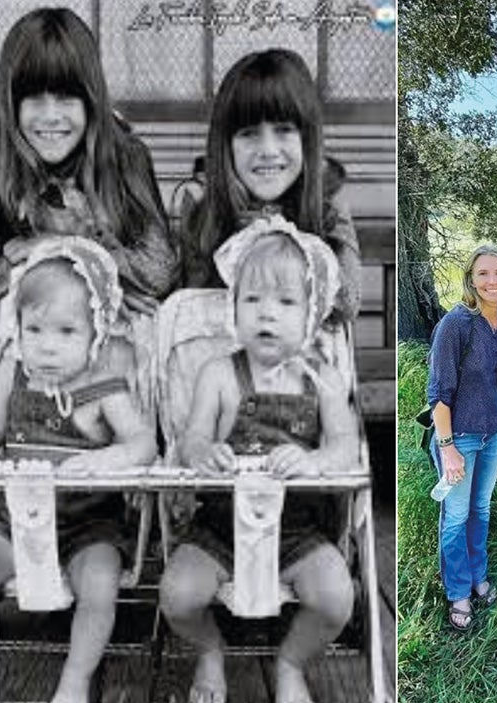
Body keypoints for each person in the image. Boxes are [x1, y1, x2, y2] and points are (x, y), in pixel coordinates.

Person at [0, 238, 157, 703]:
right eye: (35, 330)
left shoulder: (104, 387)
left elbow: (143, 442)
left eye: (66, 332)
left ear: (97, 334)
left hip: (89, 524)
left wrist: (103, 459)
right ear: (19, 328)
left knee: (100, 584)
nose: (47, 346)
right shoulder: (12, 372)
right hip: (13, 519)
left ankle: (73, 681)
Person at [160, 218, 359, 703]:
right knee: (177, 595)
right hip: (220, 529)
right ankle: (210, 651)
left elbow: (346, 448)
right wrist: (204, 451)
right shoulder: (219, 374)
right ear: (233, 309)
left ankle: (290, 662)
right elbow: (191, 438)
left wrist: (315, 461)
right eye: (252, 300)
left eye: (285, 302)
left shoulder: (324, 380)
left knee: (336, 599)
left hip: (298, 531)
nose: (266, 314)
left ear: (312, 314)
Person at [0, 7, 178, 312]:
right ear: (11, 103)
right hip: (35, 326)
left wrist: (63, 251)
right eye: (34, 98)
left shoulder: (126, 156)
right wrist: (98, 275)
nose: (51, 116)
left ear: (91, 100)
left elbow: (160, 272)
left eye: (66, 97)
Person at [180, 48, 360, 325]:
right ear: (226, 145)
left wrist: (286, 237)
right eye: (249, 134)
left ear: (306, 138)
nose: (267, 150)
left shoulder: (328, 203)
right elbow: (193, 307)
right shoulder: (203, 204)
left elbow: (346, 305)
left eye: (284, 130)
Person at [426, 245, 497, 631]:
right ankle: (458, 591)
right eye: (483, 274)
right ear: (470, 279)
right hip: (458, 436)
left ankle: (479, 577)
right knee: (456, 515)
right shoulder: (457, 324)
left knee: (481, 509)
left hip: (496, 430)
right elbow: (438, 395)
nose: (492, 281)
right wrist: (447, 450)